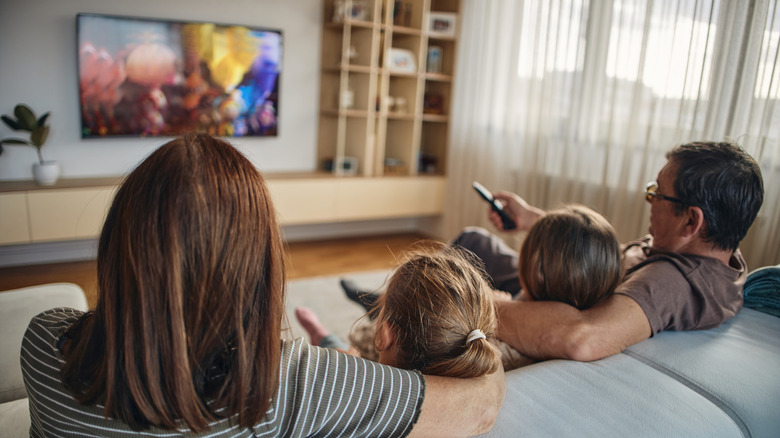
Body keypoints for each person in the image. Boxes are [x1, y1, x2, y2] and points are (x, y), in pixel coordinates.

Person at [21, 133, 504, 437]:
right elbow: (478, 408)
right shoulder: (290, 383)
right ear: (259, 269)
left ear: (118, 248)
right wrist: (482, 327)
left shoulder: (43, 343)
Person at [464, 141, 764, 361]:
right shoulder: (712, 253)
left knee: (468, 251)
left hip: (557, 290)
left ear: (691, 220)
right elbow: (605, 254)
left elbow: (581, 338)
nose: (650, 200)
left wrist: (471, 298)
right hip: (569, 276)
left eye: (658, 194)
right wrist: (533, 220)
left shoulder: (671, 283)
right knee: (476, 241)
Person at [340, 205, 623, 369]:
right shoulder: (595, 290)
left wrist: (492, 304)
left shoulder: (504, 330)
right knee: (474, 239)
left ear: (533, 267)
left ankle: (393, 307)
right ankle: (387, 304)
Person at [296, 245, 502, 377]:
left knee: (336, 350)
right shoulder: (478, 376)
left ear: (383, 336)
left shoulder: (359, 384)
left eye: (382, 307)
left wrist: (347, 360)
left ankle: (320, 334)